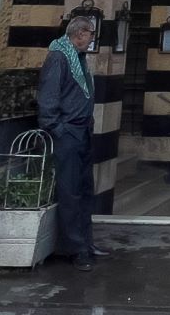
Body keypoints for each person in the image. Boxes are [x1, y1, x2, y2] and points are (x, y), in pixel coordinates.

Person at [39, 15, 111, 271]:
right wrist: (58, 130)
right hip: (68, 133)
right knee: (69, 191)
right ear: (79, 33)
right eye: (91, 33)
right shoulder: (59, 56)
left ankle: (87, 243)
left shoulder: (77, 58)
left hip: (82, 132)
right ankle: (76, 249)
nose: (92, 38)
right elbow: (48, 96)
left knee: (84, 189)